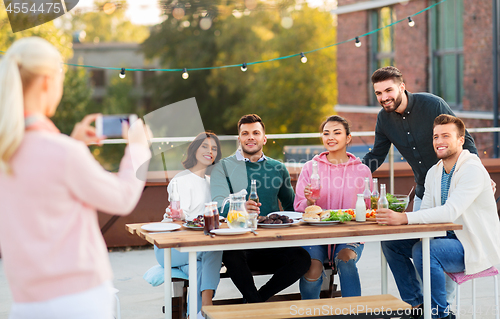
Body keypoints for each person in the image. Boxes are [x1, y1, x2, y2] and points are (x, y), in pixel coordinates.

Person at [0, 37, 151, 319]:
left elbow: (41, 181)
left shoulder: (8, 152)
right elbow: (122, 197)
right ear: (47, 81)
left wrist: (73, 143)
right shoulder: (63, 153)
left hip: (25, 304)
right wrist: (139, 146)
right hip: (79, 301)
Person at [376, 114, 500, 319]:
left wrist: (405, 219)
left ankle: (440, 315)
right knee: (391, 243)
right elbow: (425, 212)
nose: (439, 142)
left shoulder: (473, 170)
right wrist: (398, 224)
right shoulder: (434, 172)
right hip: (443, 237)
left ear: (461, 140)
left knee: (425, 251)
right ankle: (418, 307)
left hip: (470, 243)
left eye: (446, 136)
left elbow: (451, 211)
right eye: (435, 137)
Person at [210, 114, 311, 303]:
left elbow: (291, 207)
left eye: (256, 133)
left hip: (272, 242)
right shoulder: (222, 167)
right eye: (245, 133)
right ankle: (256, 303)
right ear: (239, 138)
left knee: (302, 259)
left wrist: (309, 203)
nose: (250, 137)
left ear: (264, 138)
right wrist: (239, 207)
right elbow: (218, 203)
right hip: (240, 245)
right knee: (231, 255)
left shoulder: (278, 168)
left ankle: (256, 301)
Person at [363, 66, 477, 211]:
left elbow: (464, 139)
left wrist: (478, 174)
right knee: (418, 232)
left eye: (388, 90)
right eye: (378, 93)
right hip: (424, 192)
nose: (384, 98)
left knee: (455, 233)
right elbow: (376, 155)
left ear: (402, 87)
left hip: (454, 189)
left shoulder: (433, 105)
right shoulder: (383, 119)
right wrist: (352, 173)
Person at [146, 132, 223, 317]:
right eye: (204, 146)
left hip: (195, 248)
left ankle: (194, 314)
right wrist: (178, 215)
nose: (209, 151)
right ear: (195, 149)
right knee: (213, 250)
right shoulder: (180, 180)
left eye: (214, 148)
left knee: (199, 266)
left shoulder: (212, 183)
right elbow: (177, 214)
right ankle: (207, 304)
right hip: (171, 245)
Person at [294, 115, 371, 299]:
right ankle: (310, 315)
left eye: (337, 133)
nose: (331, 137)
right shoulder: (309, 167)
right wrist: (310, 201)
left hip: (349, 233)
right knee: (312, 267)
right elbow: (298, 207)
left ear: (348, 137)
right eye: (326, 133)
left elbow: (367, 208)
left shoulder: (362, 170)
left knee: (346, 260)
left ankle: (355, 314)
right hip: (315, 234)